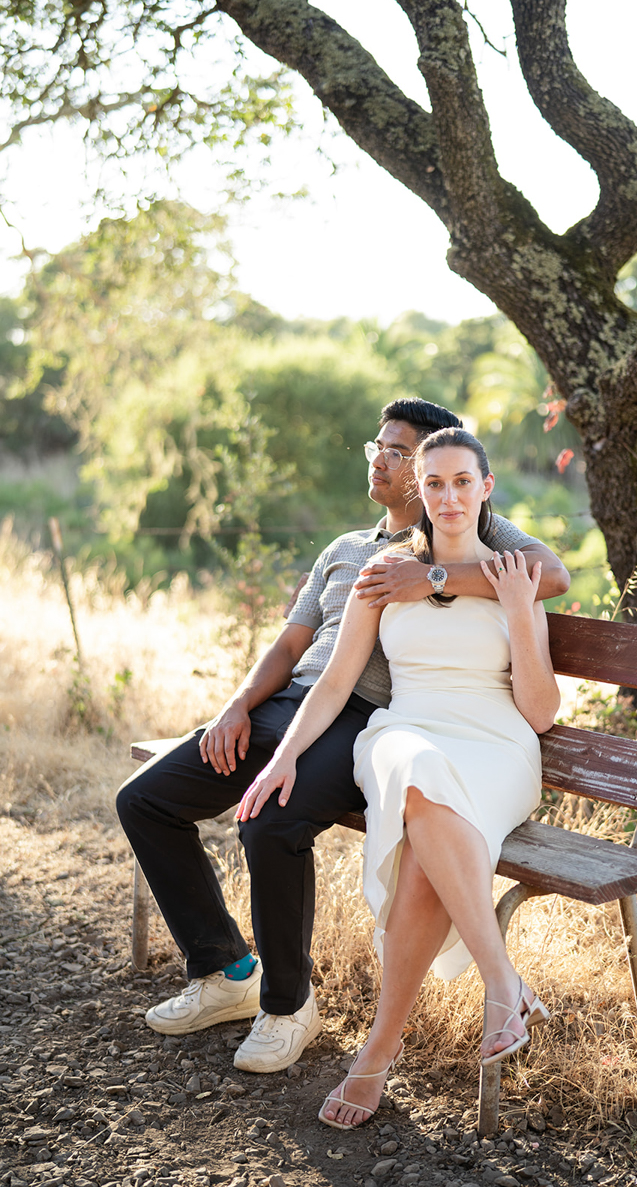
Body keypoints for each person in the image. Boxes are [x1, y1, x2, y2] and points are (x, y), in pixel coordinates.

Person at [116, 399, 569, 1075]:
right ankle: (224, 971)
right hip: (296, 704)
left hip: (369, 713)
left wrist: (438, 576)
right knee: (143, 800)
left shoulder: (472, 534)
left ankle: (288, 1006)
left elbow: (547, 577)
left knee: (271, 823)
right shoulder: (350, 553)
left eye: (400, 452)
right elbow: (294, 642)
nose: (383, 460)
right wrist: (238, 704)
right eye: (379, 448)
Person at [237, 427, 561, 1130]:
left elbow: (538, 712)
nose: (448, 497)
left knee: (422, 853)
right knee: (415, 771)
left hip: (497, 746)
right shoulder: (383, 572)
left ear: (486, 489)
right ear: (420, 489)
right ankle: (502, 981)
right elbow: (330, 686)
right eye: (435, 483)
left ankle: (378, 1053)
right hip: (406, 729)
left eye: (462, 482)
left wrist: (515, 612)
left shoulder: (514, 576)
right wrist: (286, 754)